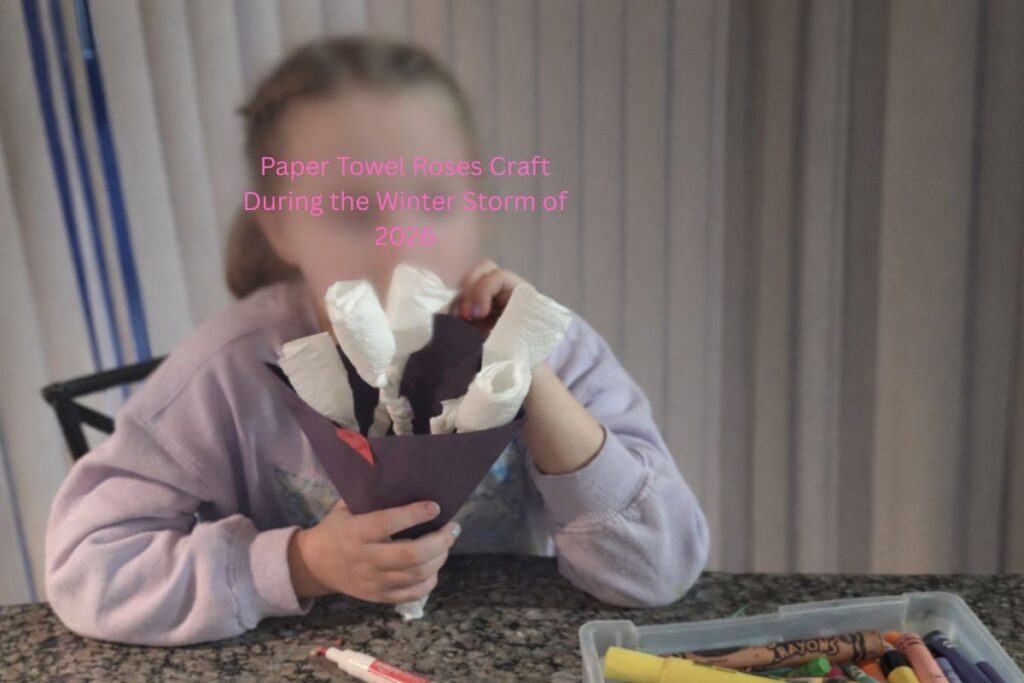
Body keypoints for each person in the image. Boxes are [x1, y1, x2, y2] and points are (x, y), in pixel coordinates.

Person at [45, 36, 709, 646]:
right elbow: (85, 566)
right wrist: (299, 563)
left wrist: (527, 371)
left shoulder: (552, 350)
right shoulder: (227, 373)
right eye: (351, 209)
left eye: (435, 200)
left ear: (478, 206)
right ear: (279, 229)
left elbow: (658, 570)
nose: (401, 241)